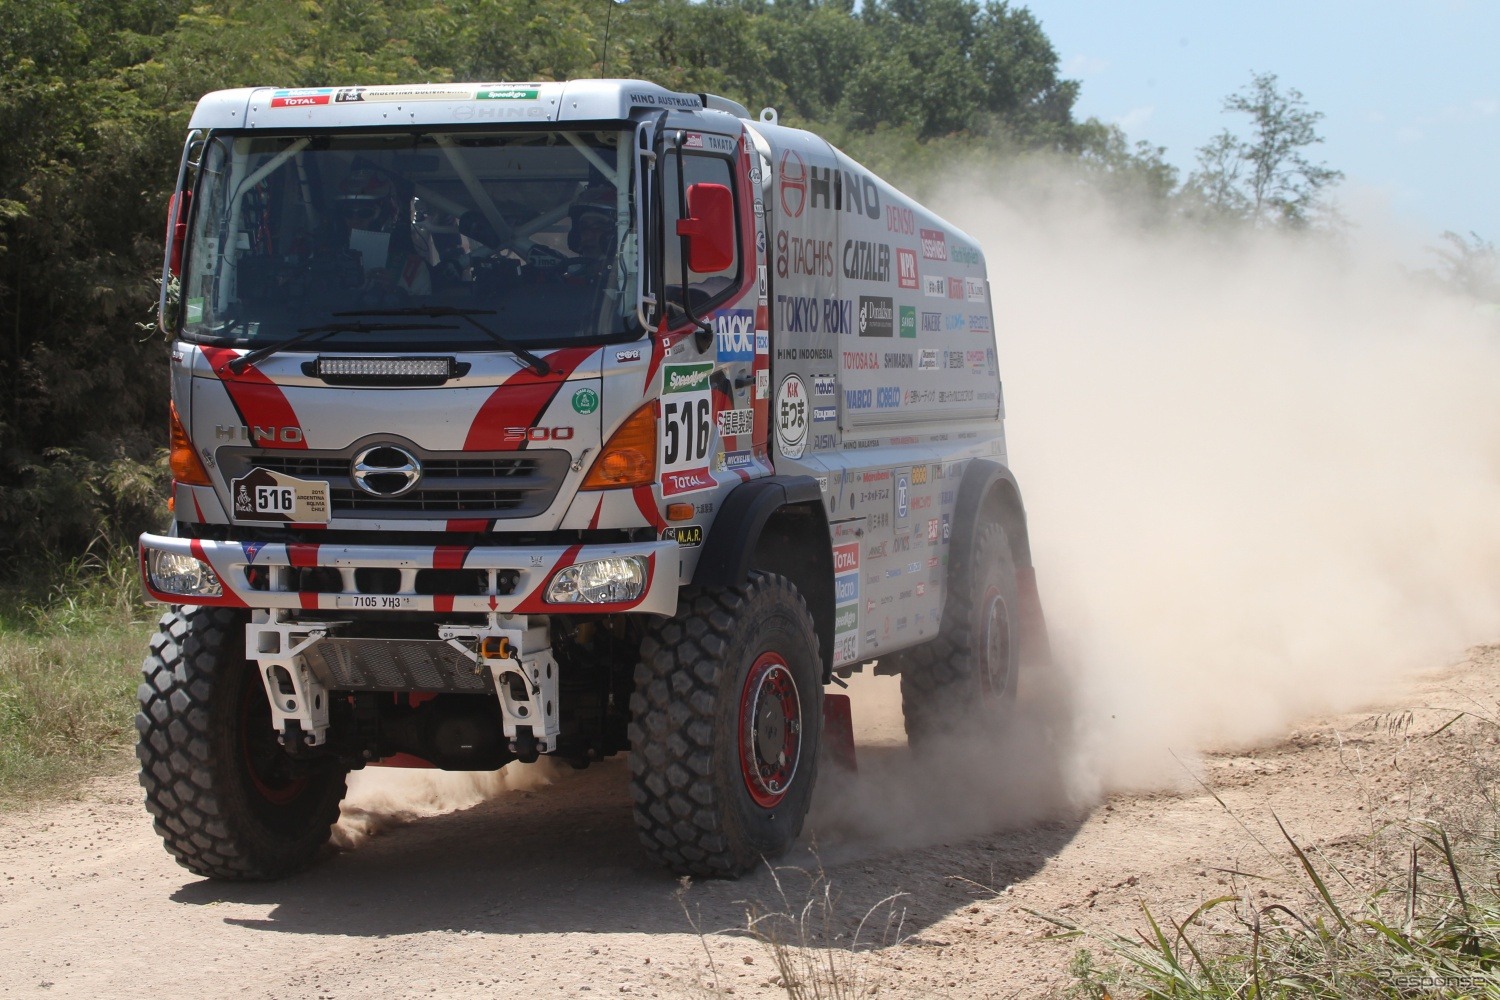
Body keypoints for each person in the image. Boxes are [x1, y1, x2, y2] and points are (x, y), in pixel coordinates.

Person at [332, 166, 432, 298]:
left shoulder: (412, 269)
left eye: (364, 213)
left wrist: (395, 292)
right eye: (348, 213)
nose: (354, 220)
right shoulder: (328, 262)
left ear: (386, 216)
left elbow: (423, 315)